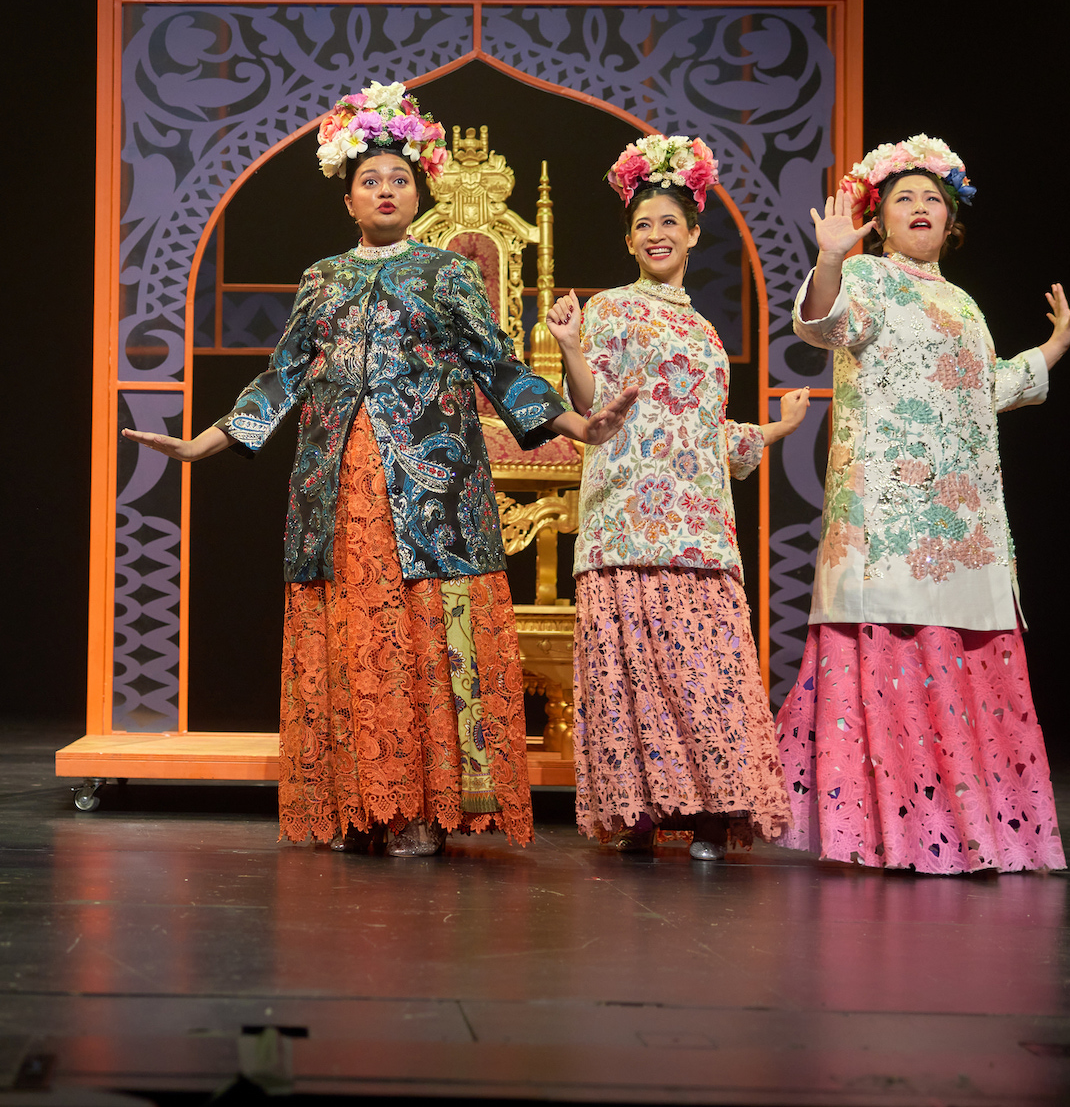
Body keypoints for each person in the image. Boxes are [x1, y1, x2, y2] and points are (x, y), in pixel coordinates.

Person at [125, 81, 636, 857]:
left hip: (432, 488)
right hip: (337, 486)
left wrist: (573, 422)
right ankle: (357, 804)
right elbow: (283, 375)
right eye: (371, 180)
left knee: (422, 631)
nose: (386, 189)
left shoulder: (446, 273)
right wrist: (209, 441)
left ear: (418, 191)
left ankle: (422, 807)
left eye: (399, 178)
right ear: (349, 200)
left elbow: (497, 367)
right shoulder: (322, 279)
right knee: (353, 632)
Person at [777, 135, 1070, 873]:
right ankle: (885, 834)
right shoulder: (868, 279)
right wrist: (830, 260)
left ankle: (972, 831)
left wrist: (1054, 346)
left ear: (951, 222)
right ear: (877, 218)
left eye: (932, 199)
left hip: (966, 525)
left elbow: (986, 392)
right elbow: (822, 322)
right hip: (889, 520)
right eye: (903, 197)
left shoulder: (964, 304)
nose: (919, 208)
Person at [545, 135, 809, 861]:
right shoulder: (609, 311)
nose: (655, 235)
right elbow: (592, 405)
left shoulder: (702, 328)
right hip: (625, 516)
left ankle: (715, 814)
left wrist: (772, 431)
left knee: (706, 671)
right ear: (627, 240)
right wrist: (570, 345)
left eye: (668, 223)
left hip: (697, 521)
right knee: (630, 674)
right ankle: (638, 810)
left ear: (693, 233)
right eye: (642, 225)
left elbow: (699, 427)